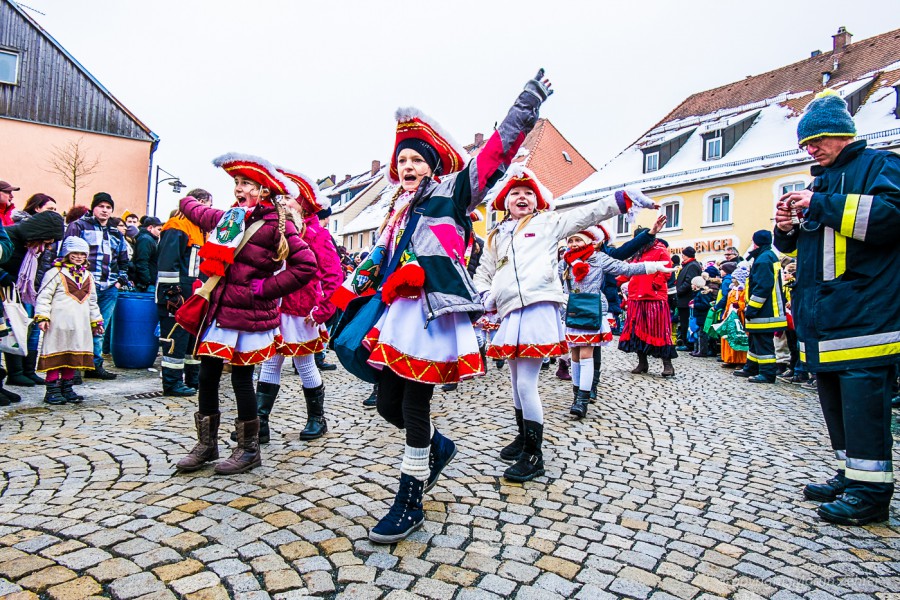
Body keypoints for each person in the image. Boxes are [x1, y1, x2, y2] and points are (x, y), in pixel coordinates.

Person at [333, 69, 555, 544]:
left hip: (431, 312)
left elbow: (497, 151)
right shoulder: (397, 209)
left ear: (432, 166)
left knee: (414, 404)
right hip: (394, 312)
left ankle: (409, 500)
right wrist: (341, 291)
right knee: (388, 403)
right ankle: (439, 448)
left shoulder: (452, 193)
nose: (409, 166)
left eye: (417, 159)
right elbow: (380, 258)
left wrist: (526, 103)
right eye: (403, 160)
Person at [476, 164, 658, 482]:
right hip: (510, 312)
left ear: (538, 200)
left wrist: (623, 198)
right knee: (515, 381)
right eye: (515, 193)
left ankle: (535, 455)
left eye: (528, 192)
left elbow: (586, 214)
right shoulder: (496, 236)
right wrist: (484, 294)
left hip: (537, 307)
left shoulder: (548, 223)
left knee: (525, 383)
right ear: (505, 201)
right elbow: (484, 270)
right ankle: (523, 438)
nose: (522, 197)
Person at [774, 89, 900, 525]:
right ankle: (851, 474)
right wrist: (786, 229)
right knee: (835, 400)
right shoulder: (819, 182)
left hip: (864, 313)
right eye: (805, 144)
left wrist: (820, 205)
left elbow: (889, 218)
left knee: (864, 402)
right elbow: (804, 250)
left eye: (816, 141)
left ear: (842, 135)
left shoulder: (880, 165)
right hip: (825, 315)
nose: (810, 150)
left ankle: (871, 493)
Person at [174, 154, 317, 475]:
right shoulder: (231, 218)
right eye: (236, 183)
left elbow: (306, 265)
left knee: (241, 380)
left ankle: (248, 449)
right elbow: (201, 213)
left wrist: (262, 290)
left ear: (264, 191)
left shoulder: (272, 227)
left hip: (249, 317)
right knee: (207, 376)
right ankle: (207, 444)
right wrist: (185, 200)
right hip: (219, 312)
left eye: (246, 184)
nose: (238, 188)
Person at [250, 167, 342, 444]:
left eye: (288, 198)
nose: (282, 202)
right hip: (274, 306)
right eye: (280, 197)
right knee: (270, 362)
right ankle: (260, 422)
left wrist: (324, 308)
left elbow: (333, 276)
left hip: (303, 312)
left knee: (304, 364)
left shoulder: (317, 234)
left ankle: (317, 418)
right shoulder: (273, 228)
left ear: (301, 202)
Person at [560, 225, 671, 418]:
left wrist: (654, 266)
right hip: (571, 310)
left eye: (578, 240)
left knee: (586, 354)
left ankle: (582, 401)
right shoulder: (565, 262)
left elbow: (626, 268)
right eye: (571, 240)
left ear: (590, 242)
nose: (574, 244)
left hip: (592, 308)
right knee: (575, 356)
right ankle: (576, 393)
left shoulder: (599, 258)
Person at [64, 192, 131, 380]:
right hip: (82, 287)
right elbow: (65, 255)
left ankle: (95, 365)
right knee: (79, 327)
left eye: (108, 207)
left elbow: (124, 260)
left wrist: (119, 281)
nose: (105, 210)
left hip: (108, 287)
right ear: (93, 208)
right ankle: (74, 368)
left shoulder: (116, 233)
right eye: (101, 206)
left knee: (100, 327)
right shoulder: (78, 226)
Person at [33, 237, 103, 405]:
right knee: (56, 354)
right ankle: (52, 389)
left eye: (82, 254)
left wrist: (96, 321)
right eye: (75, 253)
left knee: (73, 356)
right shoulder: (55, 273)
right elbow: (44, 296)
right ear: (67, 254)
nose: (78, 257)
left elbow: (92, 300)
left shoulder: (88, 276)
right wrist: (43, 316)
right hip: (59, 323)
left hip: (80, 324)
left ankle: (67, 388)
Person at [156, 189, 212, 397]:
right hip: (177, 294)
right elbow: (168, 262)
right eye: (207, 205)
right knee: (174, 339)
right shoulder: (178, 225)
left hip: (194, 294)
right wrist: (171, 293)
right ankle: (171, 383)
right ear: (196, 203)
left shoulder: (202, 230)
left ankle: (192, 378)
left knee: (191, 341)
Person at [0, 211, 63, 388]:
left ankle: (25, 371)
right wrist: (3, 275)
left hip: (24, 292)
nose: (47, 247)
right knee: (11, 333)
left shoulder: (35, 247)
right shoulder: (10, 236)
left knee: (23, 331)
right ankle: (15, 373)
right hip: (7, 292)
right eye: (46, 241)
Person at [617, 229, 677, 376]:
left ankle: (667, 364)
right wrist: (615, 282)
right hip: (635, 296)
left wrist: (655, 284)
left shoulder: (660, 250)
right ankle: (642, 363)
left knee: (659, 330)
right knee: (635, 330)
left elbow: (666, 270)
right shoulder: (637, 253)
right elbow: (628, 271)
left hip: (654, 297)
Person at [732, 230, 786, 384]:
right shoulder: (766, 256)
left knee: (764, 343)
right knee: (755, 341)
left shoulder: (763, 259)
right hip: (764, 309)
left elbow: (763, 286)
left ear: (756, 242)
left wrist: (753, 308)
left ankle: (767, 373)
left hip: (766, 310)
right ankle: (752, 367)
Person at [674, 246, 701, 351]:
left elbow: (689, 281)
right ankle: (686, 341)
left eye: (683, 255)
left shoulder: (692, 266)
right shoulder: (688, 265)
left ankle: (688, 343)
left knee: (686, 322)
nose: (682, 257)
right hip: (683, 299)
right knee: (684, 322)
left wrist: (679, 291)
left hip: (686, 299)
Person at [131, 216, 163, 292]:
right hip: (147, 284)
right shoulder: (146, 240)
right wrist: (147, 281)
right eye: (159, 229)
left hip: (147, 282)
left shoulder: (148, 239)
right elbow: (142, 262)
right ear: (150, 228)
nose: (160, 232)